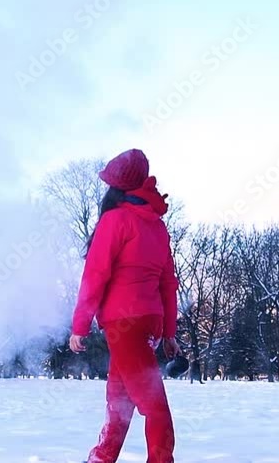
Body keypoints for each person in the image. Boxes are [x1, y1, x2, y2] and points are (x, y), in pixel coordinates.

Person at [70, 148, 181, 463]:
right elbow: (167, 284)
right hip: (149, 324)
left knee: (153, 404)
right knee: (119, 399)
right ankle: (101, 458)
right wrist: (169, 334)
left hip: (124, 323)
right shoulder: (157, 227)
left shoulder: (115, 219)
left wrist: (80, 325)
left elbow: (95, 274)